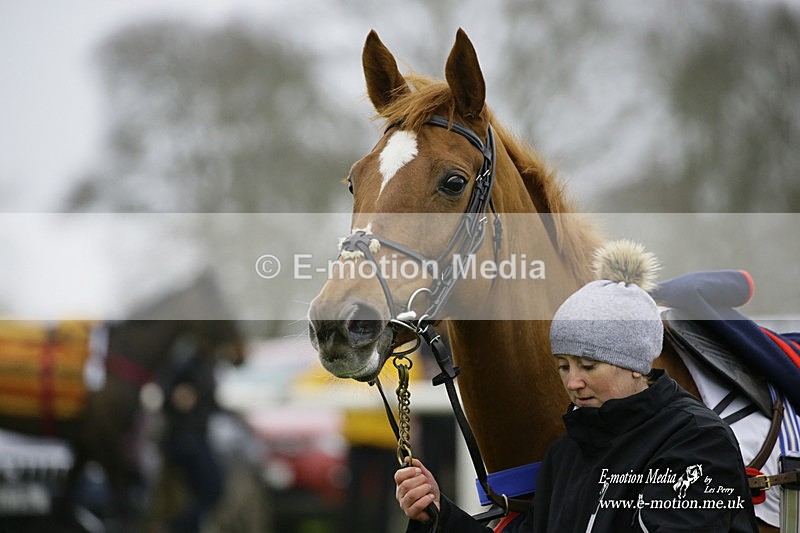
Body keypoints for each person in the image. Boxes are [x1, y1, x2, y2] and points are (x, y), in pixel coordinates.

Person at [395, 242, 758, 532]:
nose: (572, 382)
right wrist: (440, 516)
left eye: (588, 365)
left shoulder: (698, 444)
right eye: (563, 366)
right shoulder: (566, 454)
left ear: (635, 363)